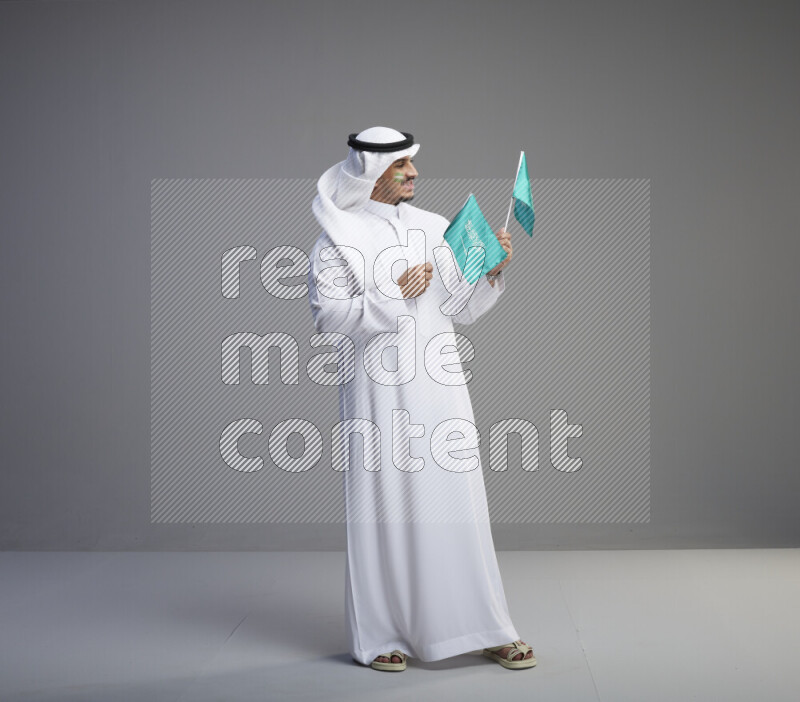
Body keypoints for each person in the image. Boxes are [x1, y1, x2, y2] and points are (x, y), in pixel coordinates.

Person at [307, 126, 535, 671]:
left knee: (458, 504)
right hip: (377, 394)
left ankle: (486, 627)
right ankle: (381, 635)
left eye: (412, 165)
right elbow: (327, 319)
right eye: (402, 167)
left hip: (441, 387)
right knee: (384, 506)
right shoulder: (336, 238)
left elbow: (461, 306)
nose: (414, 174)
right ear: (370, 173)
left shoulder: (436, 228)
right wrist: (391, 295)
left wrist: (492, 271)